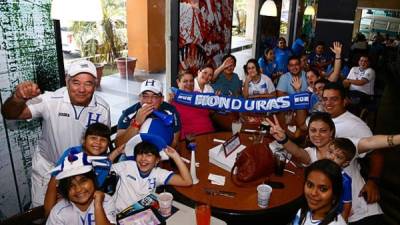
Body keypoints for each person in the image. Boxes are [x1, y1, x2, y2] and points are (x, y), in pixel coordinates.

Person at [1, 59, 111, 207]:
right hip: (48, 168)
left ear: (95, 84)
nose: (81, 89)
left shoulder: (102, 109)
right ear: (67, 81)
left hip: (80, 173)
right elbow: (10, 114)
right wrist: (18, 98)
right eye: (76, 82)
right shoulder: (51, 100)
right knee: (42, 213)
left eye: (88, 83)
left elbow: (101, 146)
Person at [267, 112, 400, 224]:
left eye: (323, 130)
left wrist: (397, 139)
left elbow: (371, 142)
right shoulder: (310, 154)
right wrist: (283, 138)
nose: (317, 135)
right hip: (334, 219)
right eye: (313, 130)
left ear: (331, 132)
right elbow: (296, 151)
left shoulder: (343, 146)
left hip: (365, 213)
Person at [44, 123, 122, 217]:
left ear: (107, 145)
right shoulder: (72, 154)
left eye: (103, 140)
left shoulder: (104, 164)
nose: (98, 142)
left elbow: (94, 189)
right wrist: (49, 215)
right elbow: (53, 184)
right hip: (62, 200)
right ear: (84, 141)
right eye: (93, 138)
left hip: (83, 204)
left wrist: (117, 152)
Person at [112, 135, 192, 212]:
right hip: (118, 212)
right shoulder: (127, 165)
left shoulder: (158, 173)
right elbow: (101, 168)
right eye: (140, 154)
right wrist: (117, 152)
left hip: (141, 214)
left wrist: (175, 156)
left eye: (149, 155)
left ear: (157, 160)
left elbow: (187, 181)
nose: (143, 159)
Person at [46, 152, 116, 225]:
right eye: (71, 185)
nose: (78, 189)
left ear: (93, 180)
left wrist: (98, 205)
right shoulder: (59, 212)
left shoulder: (106, 201)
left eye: (83, 181)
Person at [115, 79, 181, 148]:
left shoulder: (171, 111)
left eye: (155, 96)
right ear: (139, 98)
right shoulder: (128, 114)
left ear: (162, 99)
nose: (149, 101)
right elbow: (118, 145)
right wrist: (136, 123)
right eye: (145, 96)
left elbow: (175, 142)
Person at [292, 159, 346, 225]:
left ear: (335, 193)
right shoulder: (303, 210)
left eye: (323, 189)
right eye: (310, 185)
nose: (313, 193)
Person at [171, 70, 214, 139]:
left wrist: (218, 101)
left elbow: (211, 112)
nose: (189, 84)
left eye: (191, 81)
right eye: (185, 81)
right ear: (178, 82)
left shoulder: (199, 95)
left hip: (211, 135)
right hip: (192, 141)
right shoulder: (173, 101)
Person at [326, 138, 356, 222]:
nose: (332, 157)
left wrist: (343, 221)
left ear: (345, 163)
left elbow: (347, 204)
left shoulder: (345, 180)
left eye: (338, 157)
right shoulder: (317, 170)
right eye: (330, 152)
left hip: (332, 217)